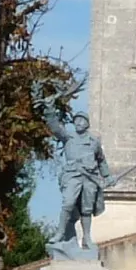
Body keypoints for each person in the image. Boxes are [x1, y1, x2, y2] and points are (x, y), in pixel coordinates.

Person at [43, 104, 111, 250]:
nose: (78, 123)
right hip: (73, 175)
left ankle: (87, 238)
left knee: (86, 210)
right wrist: (49, 110)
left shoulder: (94, 142)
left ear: (87, 124)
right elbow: (55, 127)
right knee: (68, 203)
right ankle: (60, 233)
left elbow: (101, 161)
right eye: (76, 120)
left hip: (90, 178)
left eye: (82, 120)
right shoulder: (68, 137)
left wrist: (108, 176)